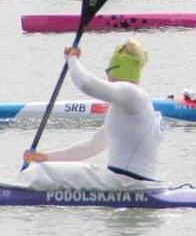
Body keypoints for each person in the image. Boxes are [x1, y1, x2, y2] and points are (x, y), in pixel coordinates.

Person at [22, 40, 163, 184]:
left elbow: (85, 83)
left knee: (40, 173)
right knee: (48, 168)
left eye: (109, 71)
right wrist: (46, 158)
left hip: (128, 185)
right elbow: (91, 146)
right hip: (123, 183)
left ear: (118, 70)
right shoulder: (128, 106)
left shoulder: (132, 94)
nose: (107, 77)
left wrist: (72, 59)